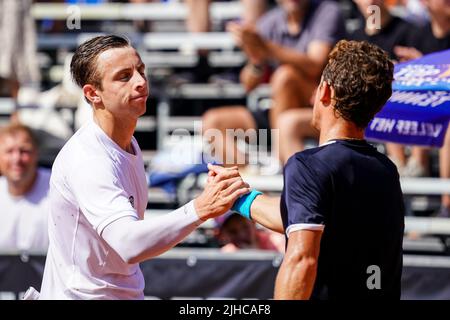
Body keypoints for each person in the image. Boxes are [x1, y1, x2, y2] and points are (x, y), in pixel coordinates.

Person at [37, 35, 250, 300]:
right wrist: (201, 208)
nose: (141, 82)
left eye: (141, 71)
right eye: (124, 76)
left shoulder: (127, 144)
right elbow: (129, 244)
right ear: (93, 94)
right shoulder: (89, 159)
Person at [209, 40, 405, 299]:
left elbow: (303, 260)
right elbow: (308, 216)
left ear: (325, 91)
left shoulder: (309, 166)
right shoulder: (386, 171)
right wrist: (238, 197)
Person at [202, 0, 345, 167]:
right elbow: (248, 85)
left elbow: (315, 64)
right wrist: (256, 60)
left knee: (286, 77)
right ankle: (245, 180)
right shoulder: (270, 21)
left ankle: (281, 162)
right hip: (279, 109)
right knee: (213, 123)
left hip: (322, 107)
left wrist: (266, 47)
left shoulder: (327, 11)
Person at [0, 123, 50, 252]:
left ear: (36, 154)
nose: (16, 159)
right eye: (9, 151)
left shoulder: (56, 188)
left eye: (24, 151)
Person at [215, 212, 284, 253]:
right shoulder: (227, 255)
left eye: (245, 227)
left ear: (254, 222)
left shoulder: (276, 242)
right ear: (222, 235)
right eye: (233, 231)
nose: (241, 235)